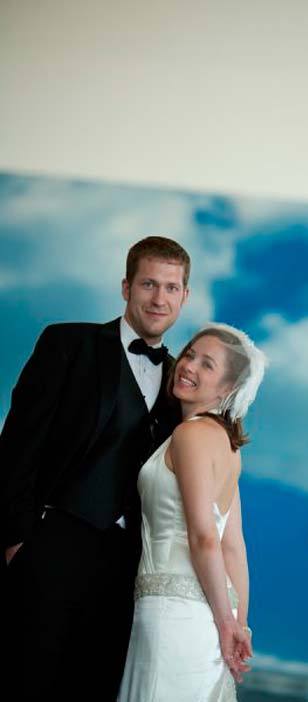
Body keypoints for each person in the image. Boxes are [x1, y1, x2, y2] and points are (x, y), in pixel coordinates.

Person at [0, 235, 190, 702]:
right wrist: (17, 539)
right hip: (53, 540)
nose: (159, 298)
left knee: (93, 684)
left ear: (184, 296)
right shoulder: (68, 343)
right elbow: (18, 444)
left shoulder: (181, 378)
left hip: (129, 563)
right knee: (25, 677)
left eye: (170, 287)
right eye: (149, 284)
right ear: (126, 287)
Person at [118, 322, 267, 702]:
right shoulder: (229, 446)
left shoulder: (192, 435)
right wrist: (239, 624)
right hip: (211, 613)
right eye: (189, 355)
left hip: (175, 615)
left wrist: (225, 624)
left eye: (207, 365)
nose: (189, 366)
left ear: (227, 388)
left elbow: (205, 538)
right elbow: (234, 547)